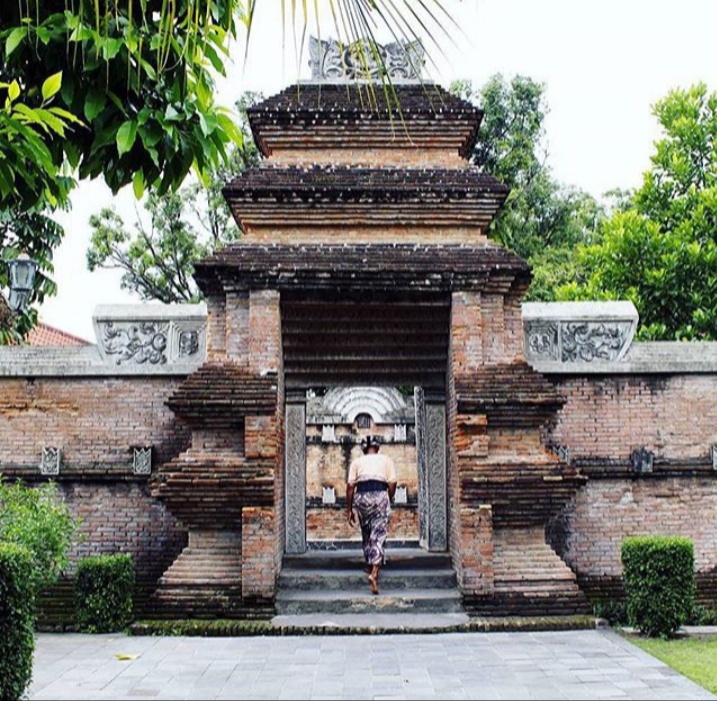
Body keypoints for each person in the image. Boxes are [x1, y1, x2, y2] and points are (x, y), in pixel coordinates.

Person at [346, 435, 397, 595]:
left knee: (367, 532)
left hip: (361, 497)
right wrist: (388, 497)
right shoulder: (386, 460)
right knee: (379, 534)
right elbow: (393, 482)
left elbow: (350, 486)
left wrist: (349, 509)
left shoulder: (357, 462)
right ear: (378, 448)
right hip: (379, 495)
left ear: (363, 449)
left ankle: (369, 564)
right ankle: (374, 573)